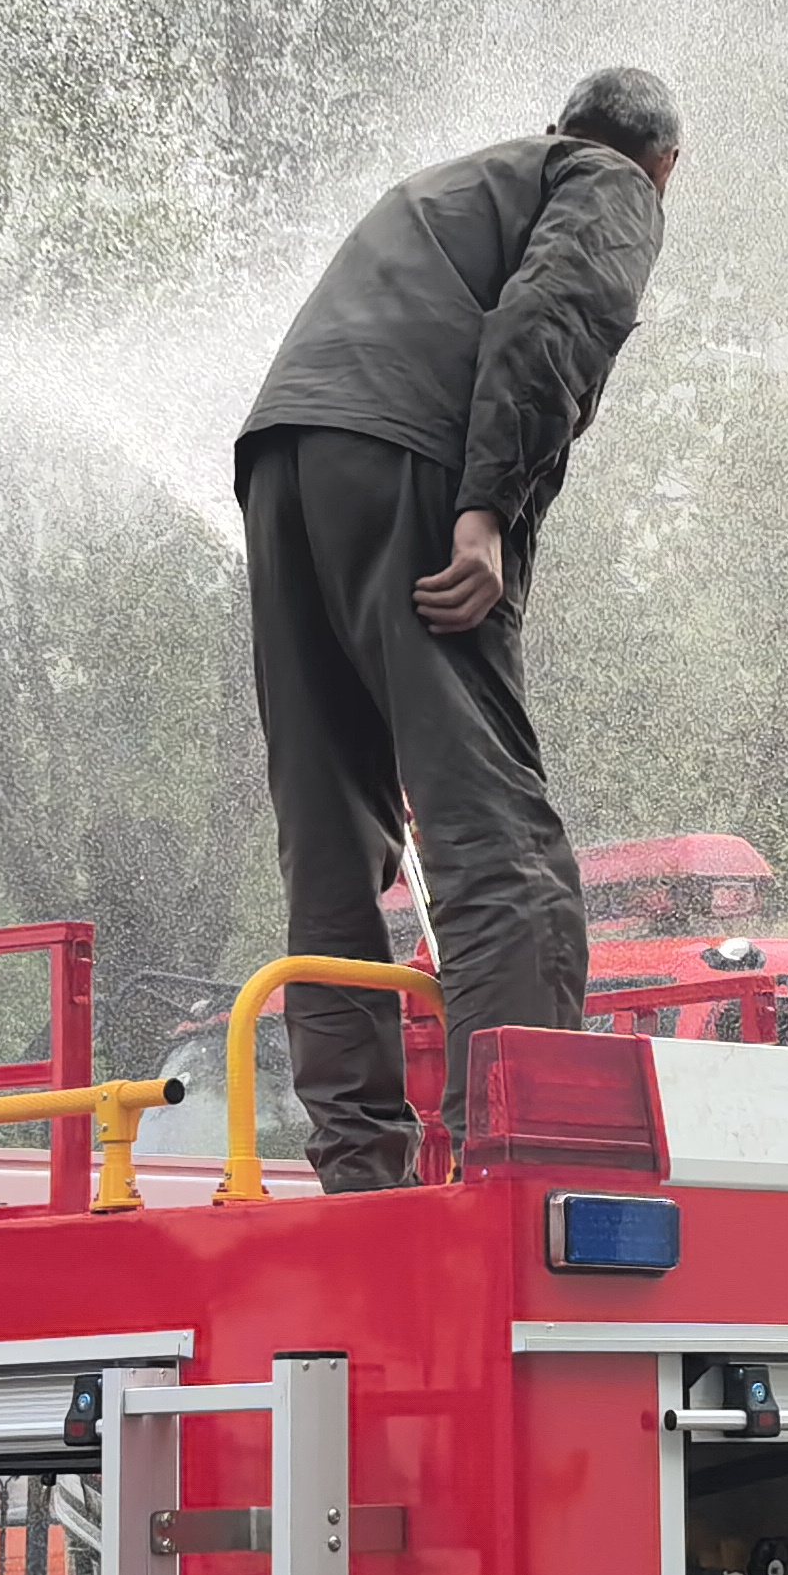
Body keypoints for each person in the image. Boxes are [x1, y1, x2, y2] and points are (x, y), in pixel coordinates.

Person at [232, 66, 683, 1188]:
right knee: (500, 840)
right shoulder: (613, 184)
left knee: (328, 844)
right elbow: (550, 321)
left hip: (282, 467)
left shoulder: (456, 186)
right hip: (410, 465)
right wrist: (482, 515)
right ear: (664, 164)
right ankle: (515, 1165)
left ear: (554, 126)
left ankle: (357, 1174)